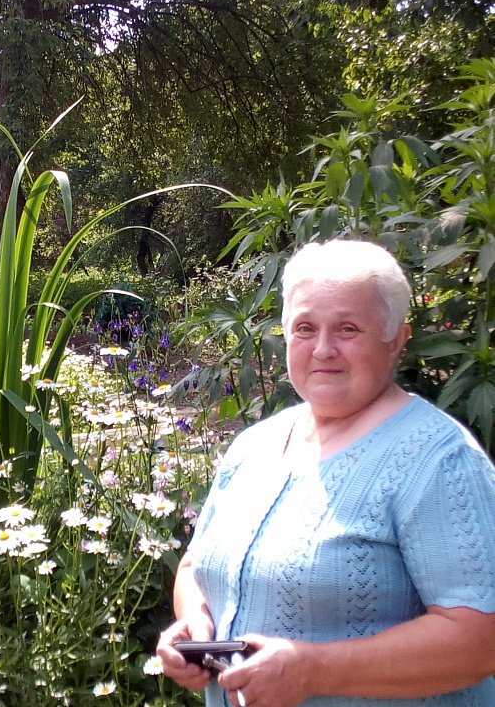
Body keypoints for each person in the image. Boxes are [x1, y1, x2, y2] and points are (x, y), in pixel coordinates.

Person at [156, 239, 495, 707]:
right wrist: (193, 624)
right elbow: (196, 565)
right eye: (305, 328)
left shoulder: (436, 459)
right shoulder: (254, 447)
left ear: (397, 339)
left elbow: (480, 638)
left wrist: (313, 669)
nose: (323, 349)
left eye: (348, 329)